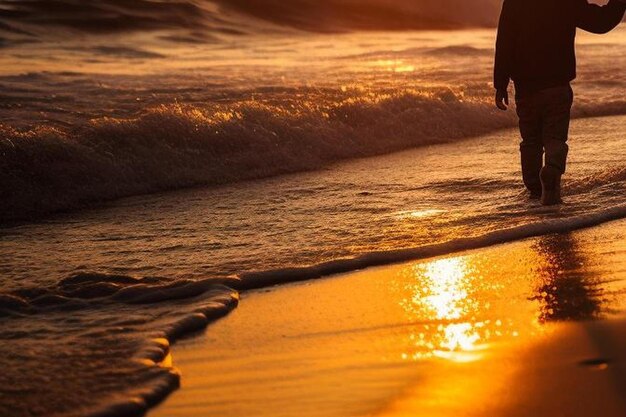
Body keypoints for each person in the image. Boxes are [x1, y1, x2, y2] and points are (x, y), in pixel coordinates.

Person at [494, 0, 626, 205]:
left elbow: (504, 40)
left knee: (530, 142)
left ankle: (534, 189)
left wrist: (500, 84)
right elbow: (599, 22)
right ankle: (552, 170)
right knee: (555, 138)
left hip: (526, 86)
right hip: (557, 84)